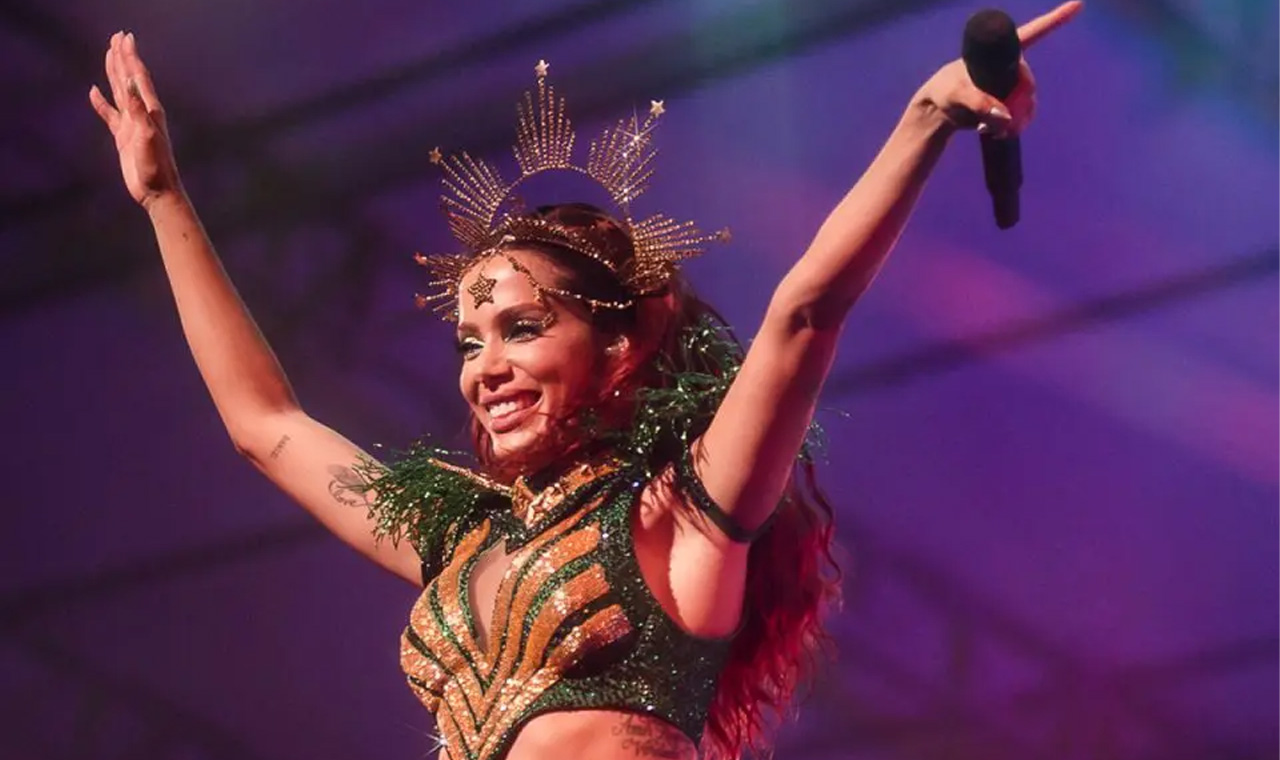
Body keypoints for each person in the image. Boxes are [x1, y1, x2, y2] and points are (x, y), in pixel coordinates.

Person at [89, 4, 1080, 759]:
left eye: (522, 329)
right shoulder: (457, 539)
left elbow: (803, 314)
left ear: (620, 347)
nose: (485, 367)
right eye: (469, 343)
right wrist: (165, 198)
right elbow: (265, 425)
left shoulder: (679, 517)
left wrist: (922, 119)